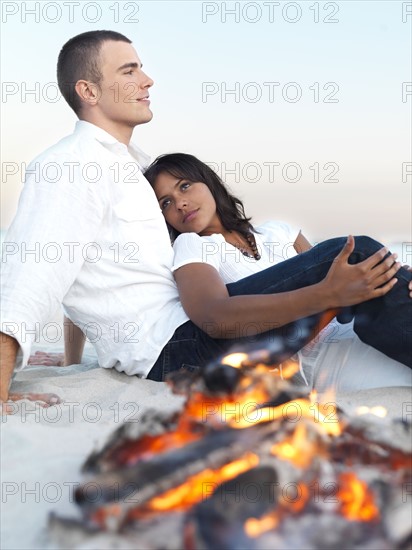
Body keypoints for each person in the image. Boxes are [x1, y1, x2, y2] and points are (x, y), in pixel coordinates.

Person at [1, 32, 410, 414]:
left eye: (141, 67)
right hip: (181, 347)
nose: (147, 80)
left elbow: (89, 273)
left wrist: (72, 361)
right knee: (359, 253)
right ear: (88, 91)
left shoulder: (133, 167)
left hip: (192, 337)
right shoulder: (72, 165)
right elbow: (32, 273)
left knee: (374, 272)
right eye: (129, 71)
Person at [142, 153, 412, 390]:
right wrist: (330, 293)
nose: (180, 203)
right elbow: (212, 316)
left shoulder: (279, 231)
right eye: (165, 202)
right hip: (314, 357)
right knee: (359, 250)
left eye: (185, 186)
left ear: (208, 181)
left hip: (353, 329)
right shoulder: (193, 245)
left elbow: (341, 276)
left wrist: (396, 276)